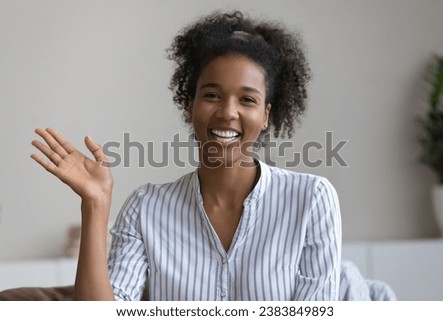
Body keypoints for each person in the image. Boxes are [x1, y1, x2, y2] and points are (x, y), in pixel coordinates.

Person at [31, 10, 341, 301]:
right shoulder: (145, 209)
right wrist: (95, 203)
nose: (228, 112)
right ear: (190, 105)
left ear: (265, 116)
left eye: (247, 99)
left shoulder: (311, 199)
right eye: (211, 95)